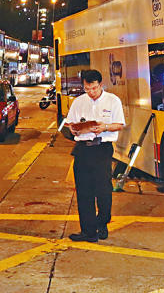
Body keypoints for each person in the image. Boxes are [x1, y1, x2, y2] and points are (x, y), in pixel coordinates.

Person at [66, 69, 125, 243]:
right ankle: (88, 231)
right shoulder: (78, 102)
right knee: (84, 192)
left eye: (93, 88)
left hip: (102, 149)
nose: (91, 92)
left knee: (103, 190)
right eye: (87, 88)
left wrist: (104, 127)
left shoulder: (113, 101)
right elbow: (70, 123)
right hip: (82, 149)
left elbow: (119, 125)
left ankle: (102, 222)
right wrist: (73, 128)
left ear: (100, 85)